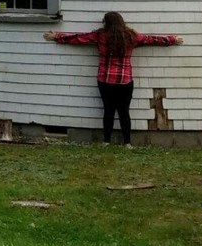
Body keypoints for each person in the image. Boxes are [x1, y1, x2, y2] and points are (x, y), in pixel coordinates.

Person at [44, 12, 182, 147]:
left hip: (105, 80)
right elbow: (152, 39)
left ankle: (106, 141)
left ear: (106, 23)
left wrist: (57, 36)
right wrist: (172, 39)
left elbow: (78, 38)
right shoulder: (131, 36)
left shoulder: (100, 35)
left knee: (108, 111)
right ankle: (127, 143)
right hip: (125, 80)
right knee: (124, 112)